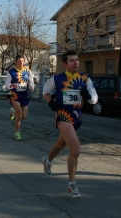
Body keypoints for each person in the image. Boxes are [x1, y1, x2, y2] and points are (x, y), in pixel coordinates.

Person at [42, 50, 98, 198]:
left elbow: (94, 98)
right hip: (63, 116)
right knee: (76, 150)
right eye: (72, 60)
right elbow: (46, 91)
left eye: (77, 60)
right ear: (65, 64)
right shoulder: (58, 79)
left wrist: (89, 97)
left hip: (77, 118)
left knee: (61, 145)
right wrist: (51, 103)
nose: (76, 63)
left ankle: (47, 161)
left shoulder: (85, 79)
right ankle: (71, 185)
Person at [4, 55, 34, 141]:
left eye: (22, 61)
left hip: (24, 95)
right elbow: (6, 84)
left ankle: (13, 112)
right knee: (20, 113)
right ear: (16, 62)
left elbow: (31, 82)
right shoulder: (11, 72)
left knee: (24, 116)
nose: (21, 63)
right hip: (15, 95)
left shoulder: (28, 71)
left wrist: (31, 86)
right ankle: (17, 133)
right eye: (19, 61)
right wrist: (11, 85)